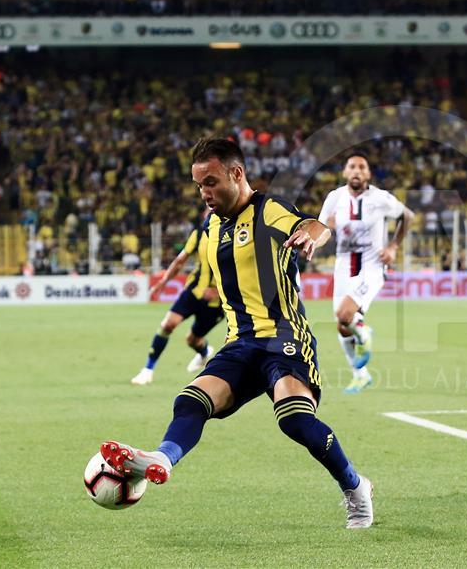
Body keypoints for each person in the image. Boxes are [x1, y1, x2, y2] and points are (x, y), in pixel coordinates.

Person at [102, 137, 373, 529]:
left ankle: (356, 488)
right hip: (241, 344)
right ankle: (161, 458)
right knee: (190, 400)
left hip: (284, 337)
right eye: (199, 185)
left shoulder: (268, 209)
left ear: (237, 173)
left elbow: (313, 225)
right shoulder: (211, 226)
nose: (204, 193)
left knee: (294, 420)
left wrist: (311, 235)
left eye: (211, 182)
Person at [318, 152, 414, 393]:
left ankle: (363, 331)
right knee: (342, 326)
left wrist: (393, 247)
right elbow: (320, 229)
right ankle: (360, 374)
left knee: (345, 314)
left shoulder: (380, 198)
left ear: (368, 174)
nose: (357, 171)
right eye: (352, 166)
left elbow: (408, 216)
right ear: (345, 172)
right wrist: (316, 237)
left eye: (362, 167)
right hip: (344, 266)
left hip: (372, 266)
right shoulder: (334, 198)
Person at [130, 209, 225, 385]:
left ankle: (204, 352)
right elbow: (180, 260)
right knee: (168, 324)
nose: (209, 211)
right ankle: (147, 370)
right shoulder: (199, 234)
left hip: (217, 302)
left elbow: (243, 272)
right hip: (193, 291)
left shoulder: (234, 236)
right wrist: (163, 282)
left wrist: (219, 292)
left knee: (193, 339)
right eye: (207, 209)